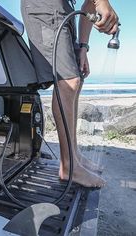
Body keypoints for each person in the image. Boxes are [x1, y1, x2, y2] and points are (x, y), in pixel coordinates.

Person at [21, 0, 119, 187]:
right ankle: (68, 167)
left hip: (64, 8)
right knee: (68, 82)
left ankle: (74, 156)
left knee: (77, 79)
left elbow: (88, 6)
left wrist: (83, 48)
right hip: (44, 6)